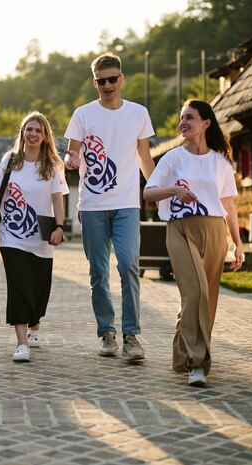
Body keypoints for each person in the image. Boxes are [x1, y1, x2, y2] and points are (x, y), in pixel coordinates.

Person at [143, 100, 244, 386]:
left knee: (206, 298)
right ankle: (196, 362)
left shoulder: (220, 162)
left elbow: (228, 205)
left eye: (189, 117)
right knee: (195, 291)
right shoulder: (173, 158)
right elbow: (149, 193)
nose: (183, 122)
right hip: (180, 228)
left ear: (206, 123)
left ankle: (182, 354)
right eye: (181, 118)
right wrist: (174, 190)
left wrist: (237, 243)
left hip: (214, 230)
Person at [64, 52, 155, 361]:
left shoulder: (138, 113)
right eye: (101, 81)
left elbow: (145, 158)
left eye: (112, 79)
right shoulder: (82, 115)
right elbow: (72, 153)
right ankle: (107, 332)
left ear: (121, 78)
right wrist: (71, 160)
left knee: (129, 264)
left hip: (127, 204)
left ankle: (131, 336)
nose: (107, 85)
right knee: (98, 272)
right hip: (92, 206)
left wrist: (156, 190)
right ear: (95, 83)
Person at [0, 111, 69, 362]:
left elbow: (57, 199)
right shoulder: (10, 160)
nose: (33, 134)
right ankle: (22, 344)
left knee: (39, 289)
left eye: (38, 130)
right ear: (22, 133)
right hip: (11, 236)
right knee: (18, 286)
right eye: (29, 129)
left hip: (41, 237)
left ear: (45, 136)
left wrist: (60, 227)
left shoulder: (52, 164)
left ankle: (34, 325)